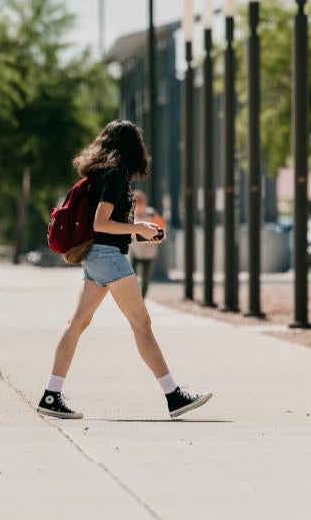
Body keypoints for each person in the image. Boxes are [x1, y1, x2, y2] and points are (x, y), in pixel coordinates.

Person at [38, 119, 213, 420]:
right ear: (133, 146)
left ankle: (51, 395)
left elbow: (105, 228)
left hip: (98, 254)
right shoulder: (115, 175)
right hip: (107, 256)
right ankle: (174, 396)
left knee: (78, 322)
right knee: (141, 324)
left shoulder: (100, 173)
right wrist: (138, 227)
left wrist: (138, 232)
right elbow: (100, 223)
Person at [130, 191, 163, 298]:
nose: (139, 204)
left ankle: (141, 299)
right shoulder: (131, 215)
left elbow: (161, 230)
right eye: (136, 201)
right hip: (134, 252)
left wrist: (142, 233)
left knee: (145, 279)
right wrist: (147, 234)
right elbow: (129, 234)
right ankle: (133, 298)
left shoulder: (151, 213)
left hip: (149, 253)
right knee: (130, 278)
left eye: (141, 201)